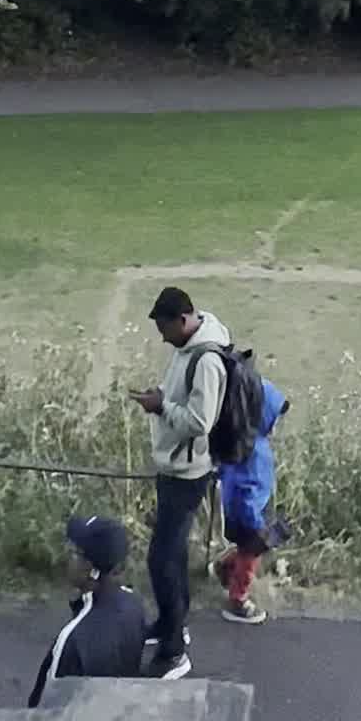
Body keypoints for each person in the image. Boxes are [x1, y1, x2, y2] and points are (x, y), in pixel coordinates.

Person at [134, 285, 230, 679]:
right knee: (169, 556)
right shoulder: (189, 349)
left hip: (186, 473)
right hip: (178, 468)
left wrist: (161, 406)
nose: (162, 336)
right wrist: (164, 399)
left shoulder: (205, 360)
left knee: (161, 559)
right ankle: (173, 625)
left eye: (164, 328)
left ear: (183, 320)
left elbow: (200, 422)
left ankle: (174, 651)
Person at [28, 513, 148, 699]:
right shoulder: (134, 605)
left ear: (91, 569)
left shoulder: (73, 639)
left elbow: (42, 712)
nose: (67, 557)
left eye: (74, 552)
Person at [216, 366, 288, 627]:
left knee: (244, 551)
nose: (277, 425)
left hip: (235, 511)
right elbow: (250, 489)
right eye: (275, 418)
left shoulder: (238, 440)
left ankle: (225, 566)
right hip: (249, 515)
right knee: (250, 558)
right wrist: (256, 525)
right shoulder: (255, 451)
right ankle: (238, 600)